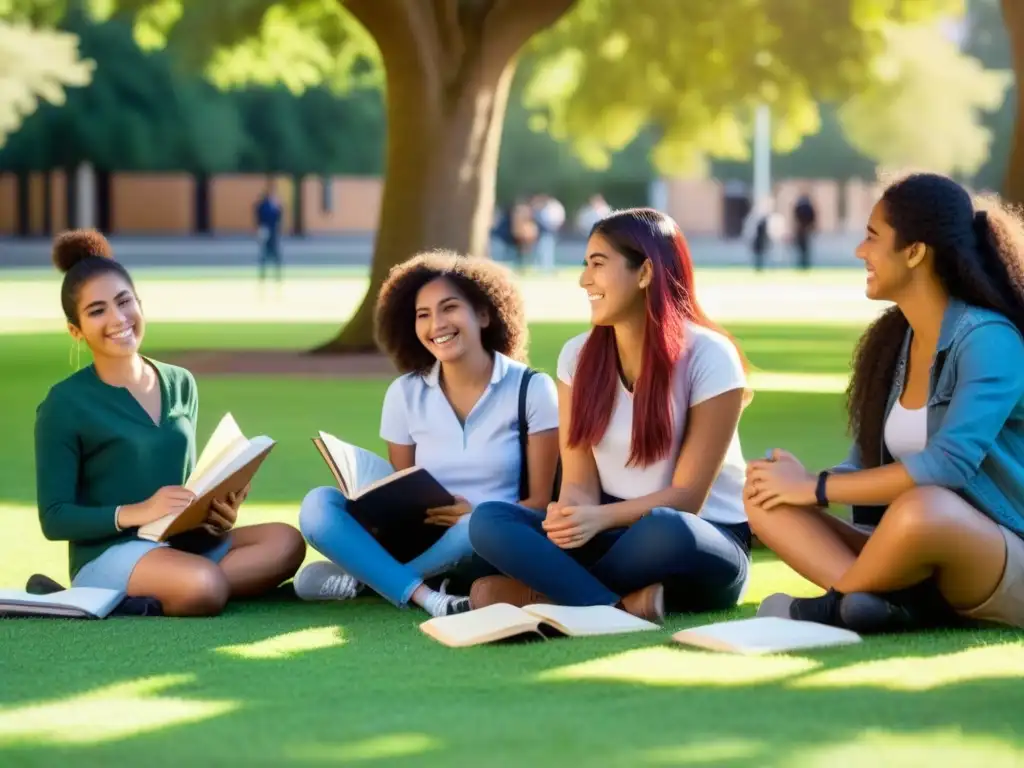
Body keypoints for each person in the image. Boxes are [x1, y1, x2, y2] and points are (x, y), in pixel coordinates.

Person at [746, 172, 1024, 634]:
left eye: (872, 237)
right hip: (913, 548)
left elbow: (947, 466)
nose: (860, 251)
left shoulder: (989, 340)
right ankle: (876, 603)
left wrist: (815, 487)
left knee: (924, 508)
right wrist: (801, 482)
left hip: (999, 551)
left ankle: (832, 608)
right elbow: (864, 469)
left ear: (915, 252)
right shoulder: (896, 341)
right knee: (763, 498)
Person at [468, 208, 755, 622]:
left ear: (644, 273)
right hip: (609, 534)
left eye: (598, 264)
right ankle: (615, 609)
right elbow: (579, 485)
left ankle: (541, 594)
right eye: (585, 264)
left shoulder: (710, 356)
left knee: (665, 528)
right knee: (490, 520)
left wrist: (598, 517)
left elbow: (687, 499)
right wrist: (568, 517)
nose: (585, 279)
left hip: (701, 539)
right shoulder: (577, 356)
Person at [35, 229, 306, 617]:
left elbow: (184, 485)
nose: (118, 318)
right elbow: (55, 516)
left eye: (124, 301)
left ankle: (163, 592)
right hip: (109, 554)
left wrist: (215, 514)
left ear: (139, 303)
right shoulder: (63, 404)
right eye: (97, 311)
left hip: (180, 544)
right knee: (204, 585)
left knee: (286, 542)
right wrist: (139, 511)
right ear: (76, 330)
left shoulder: (180, 383)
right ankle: (147, 591)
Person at [293, 250, 560, 617]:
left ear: (483, 314)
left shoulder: (532, 388)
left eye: (449, 308)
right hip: (418, 540)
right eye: (423, 315)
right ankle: (425, 593)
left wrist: (476, 511)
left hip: (491, 538)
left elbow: (540, 504)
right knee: (317, 505)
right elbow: (400, 490)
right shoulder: (404, 393)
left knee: (475, 528)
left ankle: (370, 577)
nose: (437, 324)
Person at [255, 181, 284, 284]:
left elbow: (279, 217)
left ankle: (275, 274)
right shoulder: (264, 206)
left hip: (270, 231)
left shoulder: (272, 206)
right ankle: (265, 274)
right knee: (266, 253)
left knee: (272, 253)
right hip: (267, 230)